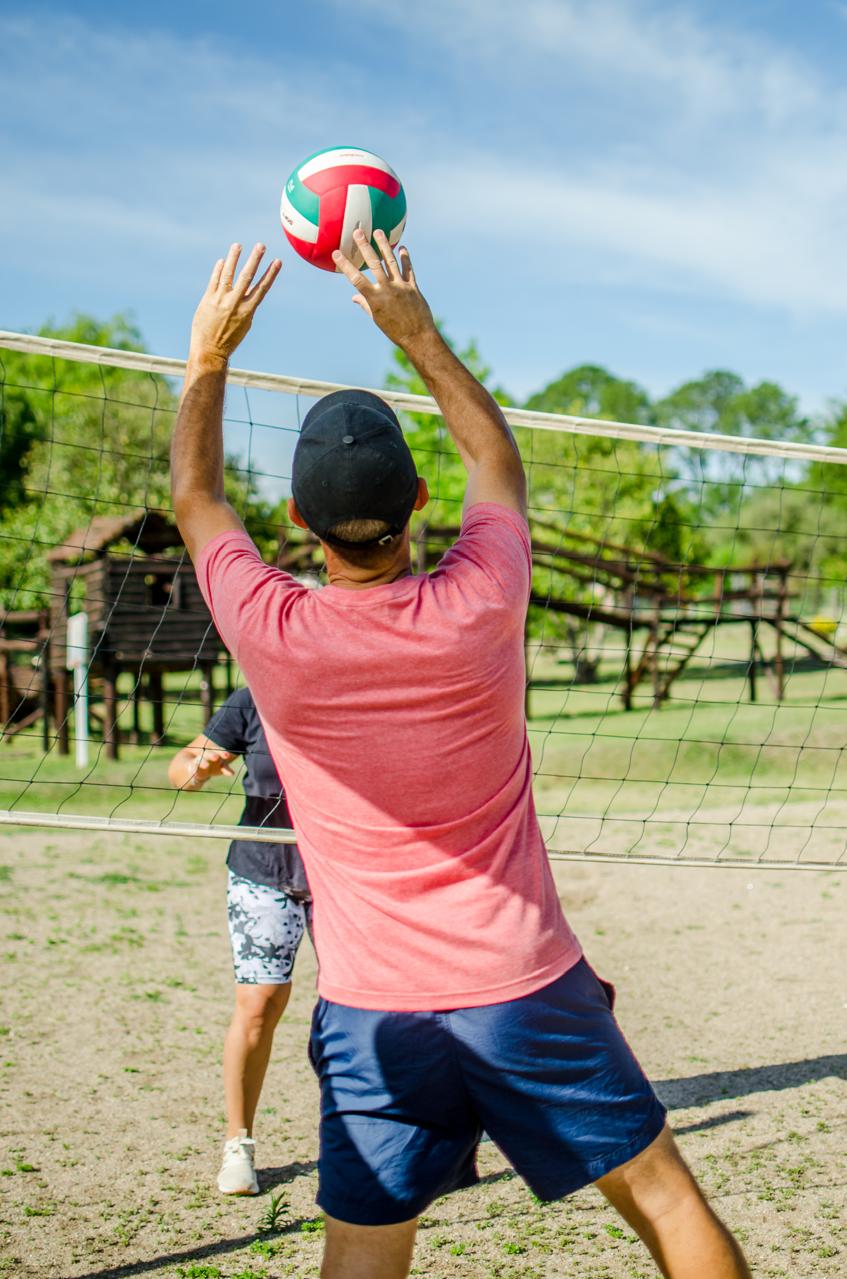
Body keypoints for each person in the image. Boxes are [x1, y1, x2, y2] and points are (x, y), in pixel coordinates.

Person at [170, 234, 751, 1279]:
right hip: (522, 983)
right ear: (418, 506)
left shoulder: (275, 632)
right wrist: (414, 330)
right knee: (666, 1204)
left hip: (373, 1009)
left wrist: (209, 355)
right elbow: (498, 460)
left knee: (361, 1251)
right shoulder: (484, 597)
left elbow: (198, 503)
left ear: (300, 521)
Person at [168, 685, 311, 1196]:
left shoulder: (365, 688)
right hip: (262, 869)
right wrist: (197, 769)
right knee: (257, 1006)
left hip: (346, 870)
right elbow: (182, 768)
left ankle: (373, 1140)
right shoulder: (255, 697)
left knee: (359, 1010)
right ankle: (238, 1145)